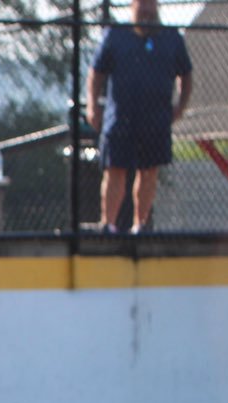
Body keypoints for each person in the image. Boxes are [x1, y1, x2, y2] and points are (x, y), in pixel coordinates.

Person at [86, 0, 193, 234]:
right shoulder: (115, 35)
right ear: (133, 6)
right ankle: (109, 225)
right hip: (120, 119)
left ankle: (140, 225)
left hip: (156, 121)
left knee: (149, 172)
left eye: (150, 4)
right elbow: (96, 73)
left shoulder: (171, 38)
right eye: (141, 4)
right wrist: (93, 106)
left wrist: (180, 107)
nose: (145, 9)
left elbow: (186, 75)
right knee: (115, 170)